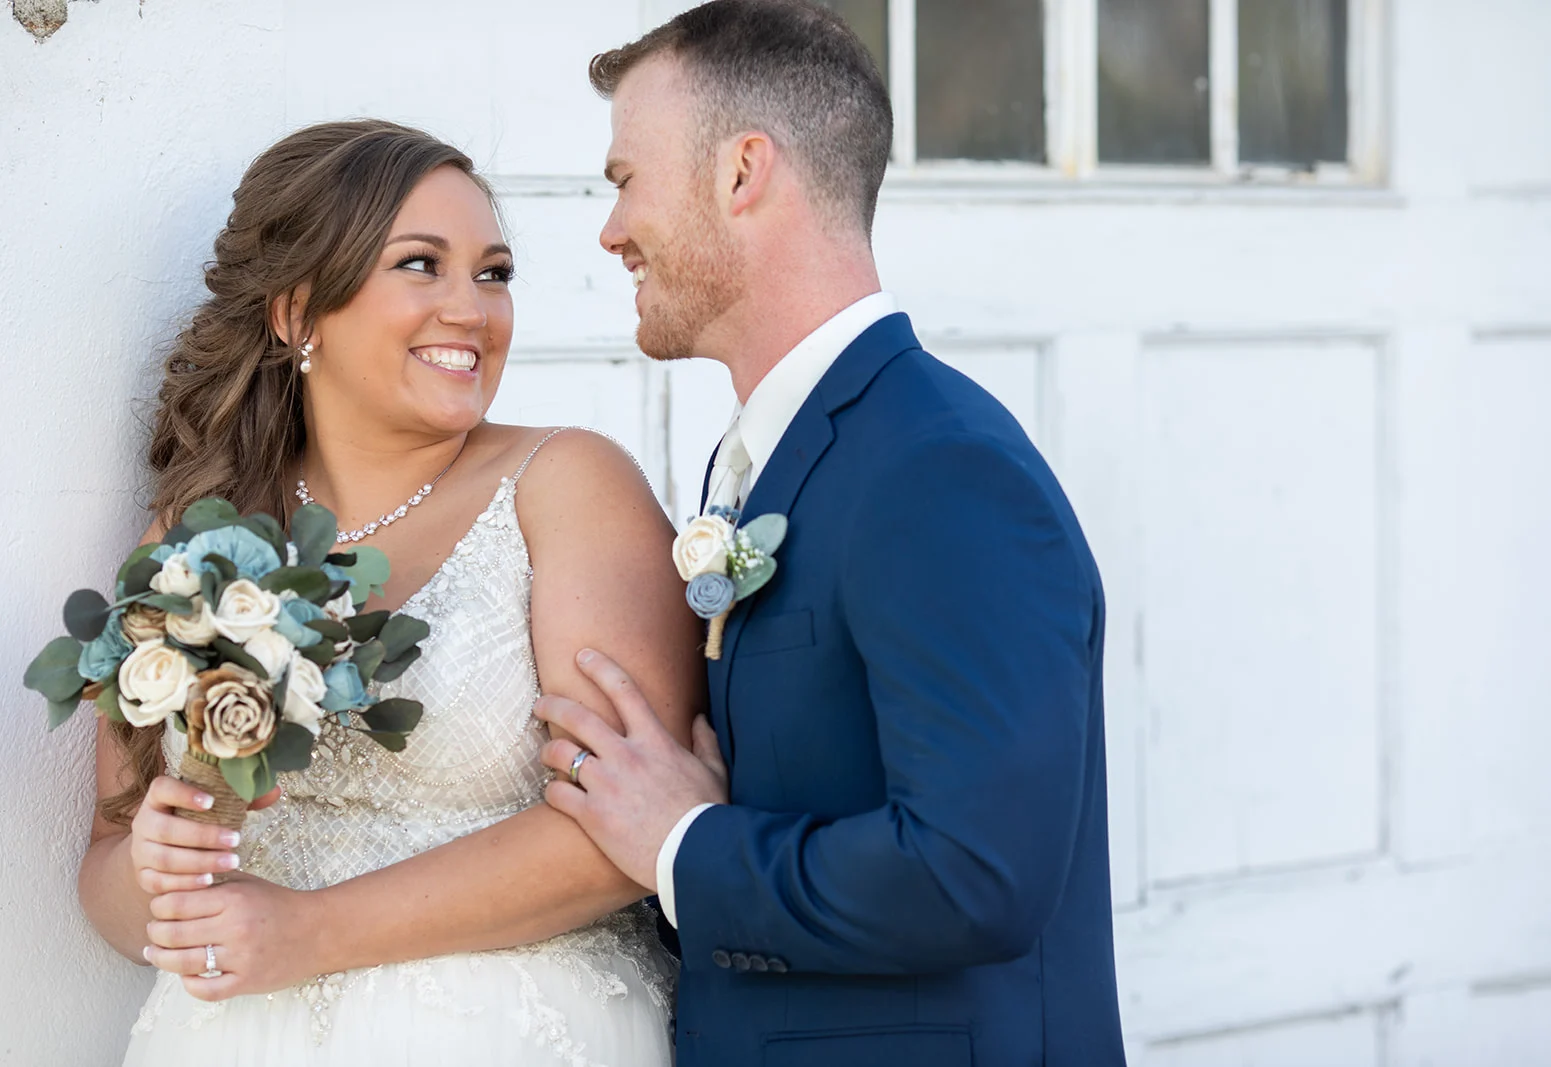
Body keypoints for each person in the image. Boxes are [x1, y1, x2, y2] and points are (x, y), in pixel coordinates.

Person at [531, 2, 1128, 1064]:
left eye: (625, 179)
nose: (609, 229)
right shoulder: (769, 455)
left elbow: (973, 873)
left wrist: (684, 842)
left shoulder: (940, 469)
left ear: (741, 172)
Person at [80, 119, 702, 1064]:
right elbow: (110, 872)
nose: (473, 310)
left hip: (509, 1031)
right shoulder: (194, 537)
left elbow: (624, 832)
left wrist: (309, 931)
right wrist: (157, 874)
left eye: (493, 274)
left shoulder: (566, 485)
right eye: (422, 265)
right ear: (296, 314)